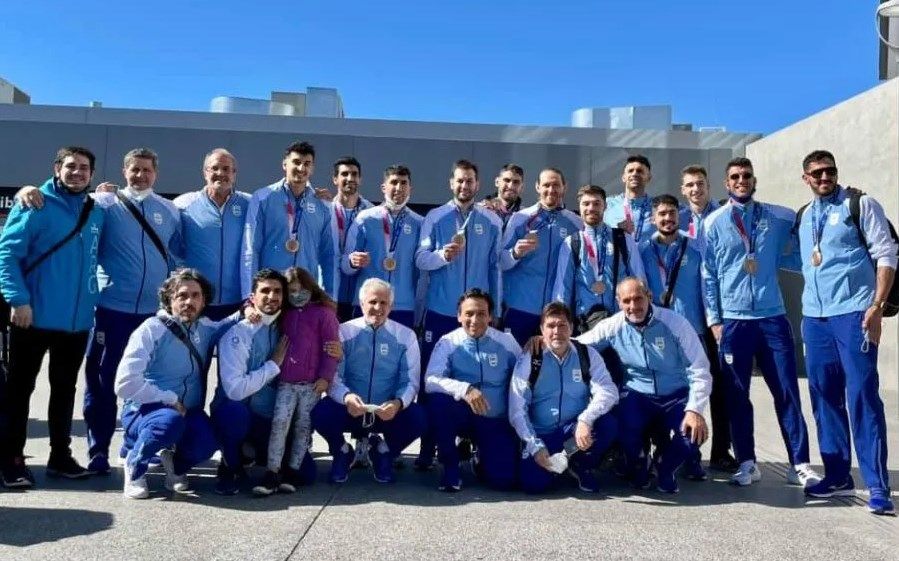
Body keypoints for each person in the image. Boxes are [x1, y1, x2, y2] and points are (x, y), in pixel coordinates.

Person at [13, 147, 182, 475]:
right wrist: (26, 189)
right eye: (134, 169)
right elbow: (62, 199)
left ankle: (138, 445)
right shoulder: (102, 204)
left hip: (153, 314)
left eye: (147, 170)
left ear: (156, 174)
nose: (140, 175)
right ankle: (98, 451)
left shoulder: (170, 210)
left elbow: (178, 254)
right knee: (102, 383)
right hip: (111, 309)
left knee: (149, 381)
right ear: (124, 171)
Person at [702, 156, 820, 488]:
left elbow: (805, 237)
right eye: (735, 177)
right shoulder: (713, 223)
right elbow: (708, 274)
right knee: (737, 395)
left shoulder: (780, 216)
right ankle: (747, 462)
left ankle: (800, 464)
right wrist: (714, 320)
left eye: (747, 176)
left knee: (787, 391)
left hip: (772, 318)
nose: (741, 181)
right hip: (734, 321)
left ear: (754, 181)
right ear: (726, 183)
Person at [793, 150, 895, 515]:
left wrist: (877, 305)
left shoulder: (860, 204)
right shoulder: (804, 216)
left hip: (854, 314)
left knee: (863, 396)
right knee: (823, 396)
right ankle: (837, 475)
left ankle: (878, 486)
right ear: (806, 178)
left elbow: (886, 254)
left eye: (830, 171)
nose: (825, 177)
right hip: (815, 317)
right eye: (817, 173)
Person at [0, 146, 105, 487]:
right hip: (32, 317)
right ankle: (12, 460)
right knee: (19, 391)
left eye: (84, 168)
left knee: (64, 391)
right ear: (57, 168)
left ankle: (60, 456)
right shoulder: (34, 203)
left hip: (76, 322)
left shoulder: (95, 210)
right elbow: (7, 254)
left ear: (92, 174)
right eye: (71, 166)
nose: (77, 172)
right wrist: (18, 300)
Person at [114, 268, 240, 499]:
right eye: (182, 295)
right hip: (146, 410)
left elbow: (230, 323)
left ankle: (175, 465)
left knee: (207, 442)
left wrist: (249, 309)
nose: (189, 302)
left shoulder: (205, 328)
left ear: (204, 301)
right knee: (168, 423)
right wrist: (168, 399)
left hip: (188, 411)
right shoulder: (152, 329)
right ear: (168, 300)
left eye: (195, 295)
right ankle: (135, 464)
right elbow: (124, 383)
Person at [578, 278, 711, 493]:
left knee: (693, 434)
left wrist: (695, 409)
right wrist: (543, 342)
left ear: (648, 296)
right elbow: (578, 344)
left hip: (675, 394)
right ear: (618, 302)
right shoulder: (613, 325)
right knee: (620, 424)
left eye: (638, 299)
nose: (633, 306)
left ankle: (665, 468)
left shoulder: (676, 323)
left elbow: (700, 369)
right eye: (626, 301)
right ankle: (640, 462)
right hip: (637, 393)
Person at [415, 159, 502, 469]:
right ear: (451, 183)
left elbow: (495, 268)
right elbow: (421, 259)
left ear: (478, 185)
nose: (465, 186)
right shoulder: (435, 217)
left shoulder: (491, 220)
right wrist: (442, 255)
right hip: (441, 311)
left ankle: (472, 444)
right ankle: (427, 449)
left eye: (470, 181)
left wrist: (496, 310)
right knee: (432, 381)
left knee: (474, 376)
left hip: (476, 316)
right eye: (460, 181)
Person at [311, 278, 426, 484]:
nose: (378, 308)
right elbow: (334, 376)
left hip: (386, 411)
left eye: (383, 303)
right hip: (351, 407)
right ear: (362, 303)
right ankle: (341, 451)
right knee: (320, 412)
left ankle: (383, 451)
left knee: (419, 418)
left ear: (391, 306)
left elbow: (410, 382)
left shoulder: (405, 336)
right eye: (373, 302)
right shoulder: (343, 332)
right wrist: (347, 397)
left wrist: (398, 403)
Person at [509, 302, 618, 494]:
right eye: (551, 326)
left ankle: (580, 464)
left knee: (607, 424)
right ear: (542, 329)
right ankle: (554, 463)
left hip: (574, 430)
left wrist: (586, 420)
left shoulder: (586, 354)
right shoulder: (532, 358)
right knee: (533, 484)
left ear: (571, 327)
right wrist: (535, 447)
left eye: (562, 325)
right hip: (543, 434)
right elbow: (517, 409)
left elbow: (609, 390)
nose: (557, 331)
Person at [253, 267, 339, 496]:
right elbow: (256, 304)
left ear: (311, 288)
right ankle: (272, 471)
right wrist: (248, 309)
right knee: (279, 424)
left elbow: (331, 348)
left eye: (302, 290)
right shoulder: (285, 312)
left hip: (311, 385)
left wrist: (326, 377)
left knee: (303, 427)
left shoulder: (324, 314)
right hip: (286, 382)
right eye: (291, 291)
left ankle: (293, 470)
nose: (297, 295)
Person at [424, 289, 522, 492]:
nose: (474, 320)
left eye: (481, 314)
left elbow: (525, 378)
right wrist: (465, 389)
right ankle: (451, 464)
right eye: (469, 314)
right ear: (459, 316)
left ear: (490, 317)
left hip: (495, 419)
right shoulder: (448, 342)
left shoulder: (507, 342)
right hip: (463, 415)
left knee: (503, 481)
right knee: (438, 402)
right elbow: (431, 381)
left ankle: (481, 457)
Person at [675, 166, 736, 472]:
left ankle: (722, 450)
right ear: (683, 190)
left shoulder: (725, 215)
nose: (695, 189)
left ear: (709, 186)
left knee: (721, 386)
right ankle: (688, 452)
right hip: (688, 318)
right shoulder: (677, 219)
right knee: (688, 387)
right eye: (689, 185)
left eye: (700, 183)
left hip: (719, 315)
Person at [242, 141, 336, 298]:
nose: (301, 168)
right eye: (296, 162)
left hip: (306, 292)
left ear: (312, 168)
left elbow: (329, 256)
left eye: (307, 164)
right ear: (285, 164)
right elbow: (251, 250)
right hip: (272, 293)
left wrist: (331, 297)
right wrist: (249, 295)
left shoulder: (323, 205)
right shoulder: (263, 198)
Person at [502, 167, 584, 342]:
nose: (551, 190)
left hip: (555, 312)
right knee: (515, 357)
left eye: (556, 185)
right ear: (537, 187)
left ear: (564, 187)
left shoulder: (576, 223)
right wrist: (515, 253)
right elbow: (500, 262)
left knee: (549, 359)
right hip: (520, 308)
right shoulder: (520, 218)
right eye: (546, 185)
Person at [552, 185, 644, 336]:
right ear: (580, 207)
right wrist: (560, 322)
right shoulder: (572, 243)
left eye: (596, 203)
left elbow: (639, 279)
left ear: (605, 206)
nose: (591, 208)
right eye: (586, 204)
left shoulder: (623, 239)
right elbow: (562, 288)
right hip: (585, 325)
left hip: (621, 324)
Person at [342, 165, 423, 329]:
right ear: (383, 187)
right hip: (368, 303)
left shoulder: (419, 223)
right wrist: (352, 261)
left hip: (403, 306)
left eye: (403, 183)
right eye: (394, 182)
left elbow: (421, 272)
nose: (399, 188)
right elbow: (345, 265)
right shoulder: (365, 219)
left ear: (410, 188)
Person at [174, 148, 250, 320]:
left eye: (226, 169)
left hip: (238, 302)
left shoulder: (250, 204)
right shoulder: (183, 204)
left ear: (234, 174)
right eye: (214, 168)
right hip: (197, 302)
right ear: (205, 172)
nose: (220, 173)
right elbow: (171, 249)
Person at [328, 157, 374, 322]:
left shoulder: (372, 213)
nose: (350, 178)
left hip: (359, 296)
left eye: (354, 174)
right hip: (330, 292)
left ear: (360, 179)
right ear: (335, 179)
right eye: (344, 174)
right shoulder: (325, 209)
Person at [604, 154, 657, 243]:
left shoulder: (658, 207)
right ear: (623, 177)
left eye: (640, 171)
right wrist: (616, 230)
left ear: (648, 178)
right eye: (630, 171)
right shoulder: (607, 205)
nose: (634, 174)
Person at [480, 163, 524, 232]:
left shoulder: (525, 217)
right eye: (507, 180)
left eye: (516, 182)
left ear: (521, 187)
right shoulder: (481, 210)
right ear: (497, 182)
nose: (510, 186)